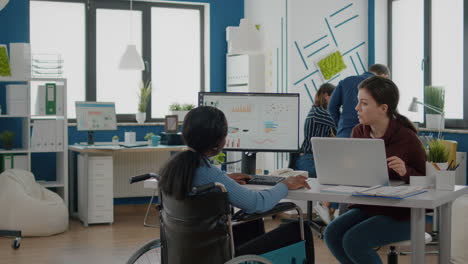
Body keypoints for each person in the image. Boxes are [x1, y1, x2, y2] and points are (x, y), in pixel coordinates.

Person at [158, 106, 313, 259]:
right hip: (218, 255)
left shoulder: (173, 169)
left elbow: (204, 181)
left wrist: (224, 178)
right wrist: (285, 185)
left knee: (252, 222)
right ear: (218, 141)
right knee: (300, 228)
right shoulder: (208, 172)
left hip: (188, 253)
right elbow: (257, 203)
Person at [323, 76, 426, 264]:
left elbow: (427, 181)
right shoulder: (358, 132)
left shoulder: (407, 138)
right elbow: (354, 171)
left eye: (363, 103)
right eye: (357, 102)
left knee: (354, 240)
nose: (356, 108)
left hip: (403, 214)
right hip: (368, 206)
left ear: (383, 108)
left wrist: (406, 172)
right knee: (331, 233)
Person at [293, 83, 337, 224]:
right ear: (326, 95)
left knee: (338, 176)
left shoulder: (320, 112)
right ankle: (325, 204)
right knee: (331, 177)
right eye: (334, 97)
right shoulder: (319, 112)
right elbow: (338, 123)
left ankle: (328, 206)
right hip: (307, 158)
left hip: (316, 157)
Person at [328, 64, 390, 138]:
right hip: (370, 135)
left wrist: (340, 124)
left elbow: (331, 107)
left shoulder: (346, 81)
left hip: (345, 132)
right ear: (384, 76)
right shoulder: (382, 86)